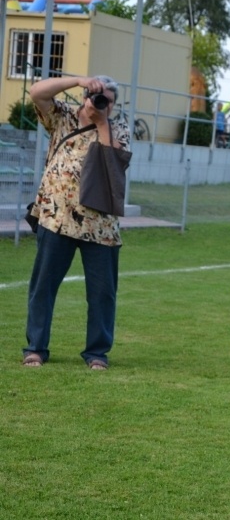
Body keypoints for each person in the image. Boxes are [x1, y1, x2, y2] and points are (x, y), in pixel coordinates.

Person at [22, 75, 131, 370]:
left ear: (114, 106)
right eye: (96, 96)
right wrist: (79, 79)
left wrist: (100, 123)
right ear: (84, 96)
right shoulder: (62, 118)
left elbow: (113, 167)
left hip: (101, 228)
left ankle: (97, 353)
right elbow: (35, 92)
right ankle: (35, 348)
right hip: (56, 219)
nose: (99, 103)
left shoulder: (118, 128)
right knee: (43, 286)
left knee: (102, 294)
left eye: (106, 100)